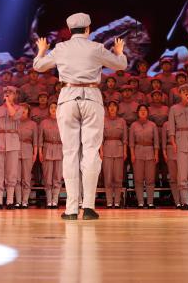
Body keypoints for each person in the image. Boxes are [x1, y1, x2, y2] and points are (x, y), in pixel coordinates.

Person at [32, 12, 127, 220]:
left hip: (68, 97)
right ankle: (89, 207)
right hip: (91, 98)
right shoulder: (96, 47)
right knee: (91, 151)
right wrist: (120, 52)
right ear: (88, 29)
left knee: (70, 152)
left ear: (70, 30)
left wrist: (41, 51)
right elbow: (121, 65)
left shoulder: (61, 48)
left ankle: (71, 209)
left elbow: (38, 66)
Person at [0, 85, 23, 208]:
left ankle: (9, 201)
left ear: (15, 95)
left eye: (10, 93)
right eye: (6, 93)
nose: (7, 95)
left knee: (11, 172)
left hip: (13, 143)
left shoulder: (19, 108)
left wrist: (8, 103)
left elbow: (13, 115)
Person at [129, 104, 159, 208]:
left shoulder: (153, 125)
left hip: (150, 152)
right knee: (138, 179)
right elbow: (131, 142)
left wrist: (156, 154)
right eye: (140, 110)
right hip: (137, 152)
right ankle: (140, 202)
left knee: (150, 179)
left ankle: (150, 202)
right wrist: (132, 154)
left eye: (144, 110)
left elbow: (156, 142)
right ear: (137, 113)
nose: (142, 112)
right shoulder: (133, 125)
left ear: (148, 113)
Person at [101, 100, 128, 208]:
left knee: (118, 177)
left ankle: (116, 201)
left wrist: (125, 151)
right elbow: (100, 138)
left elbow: (125, 138)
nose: (112, 108)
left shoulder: (122, 121)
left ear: (117, 109)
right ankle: (109, 201)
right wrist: (101, 151)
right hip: (107, 149)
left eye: (114, 106)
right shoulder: (103, 120)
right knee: (108, 177)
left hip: (119, 149)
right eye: (110, 106)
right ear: (107, 109)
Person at [39, 103, 64, 208]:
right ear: (49, 109)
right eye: (52, 107)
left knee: (57, 176)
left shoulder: (63, 121)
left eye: (55, 108)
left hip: (59, 149)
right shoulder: (44, 122)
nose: (54, 109)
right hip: (47, 149)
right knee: (47, 176)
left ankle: (55, 200)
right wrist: (40, 152)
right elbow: (40, 139)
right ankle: (49, 200)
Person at [16, 103, 39, 207]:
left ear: (28, 111)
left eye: (25, 109)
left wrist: (35, 153)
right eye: (21, 109)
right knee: (17, 178)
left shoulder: (33, 124)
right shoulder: (15, 122)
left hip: (28, 150)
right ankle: (18, 200)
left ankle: (25, 200)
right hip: (16, 150)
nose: (23, 111)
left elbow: (35, 140)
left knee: (26, 177)